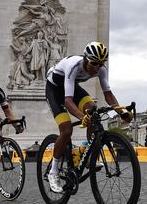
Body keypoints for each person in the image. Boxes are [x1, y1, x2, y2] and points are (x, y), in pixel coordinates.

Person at [45, 41, 133, 193]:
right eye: (94, 64)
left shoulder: (100, 69)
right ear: (86, 59)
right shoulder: (73, 66)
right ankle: (53, 172)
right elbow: (68, 101)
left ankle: (88, 158)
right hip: (54, 90)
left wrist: (122, 112)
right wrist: (82, 116)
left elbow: (108, 94)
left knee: (93, 111)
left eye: (101, 64)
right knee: (66, 130)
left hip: (71, 88)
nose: (97, 68)